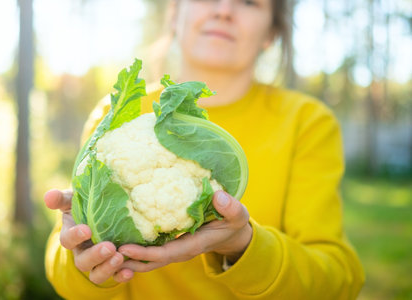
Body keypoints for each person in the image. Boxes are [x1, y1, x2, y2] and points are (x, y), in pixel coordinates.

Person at [44, 0, 365, 299]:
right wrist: (83, 260)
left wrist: (244, 246)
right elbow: (63, 268)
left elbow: (339, 278)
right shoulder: (113, 116)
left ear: (271, 31)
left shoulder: (305, 122)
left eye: (249, 1)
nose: (224, 9)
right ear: (175, 13)